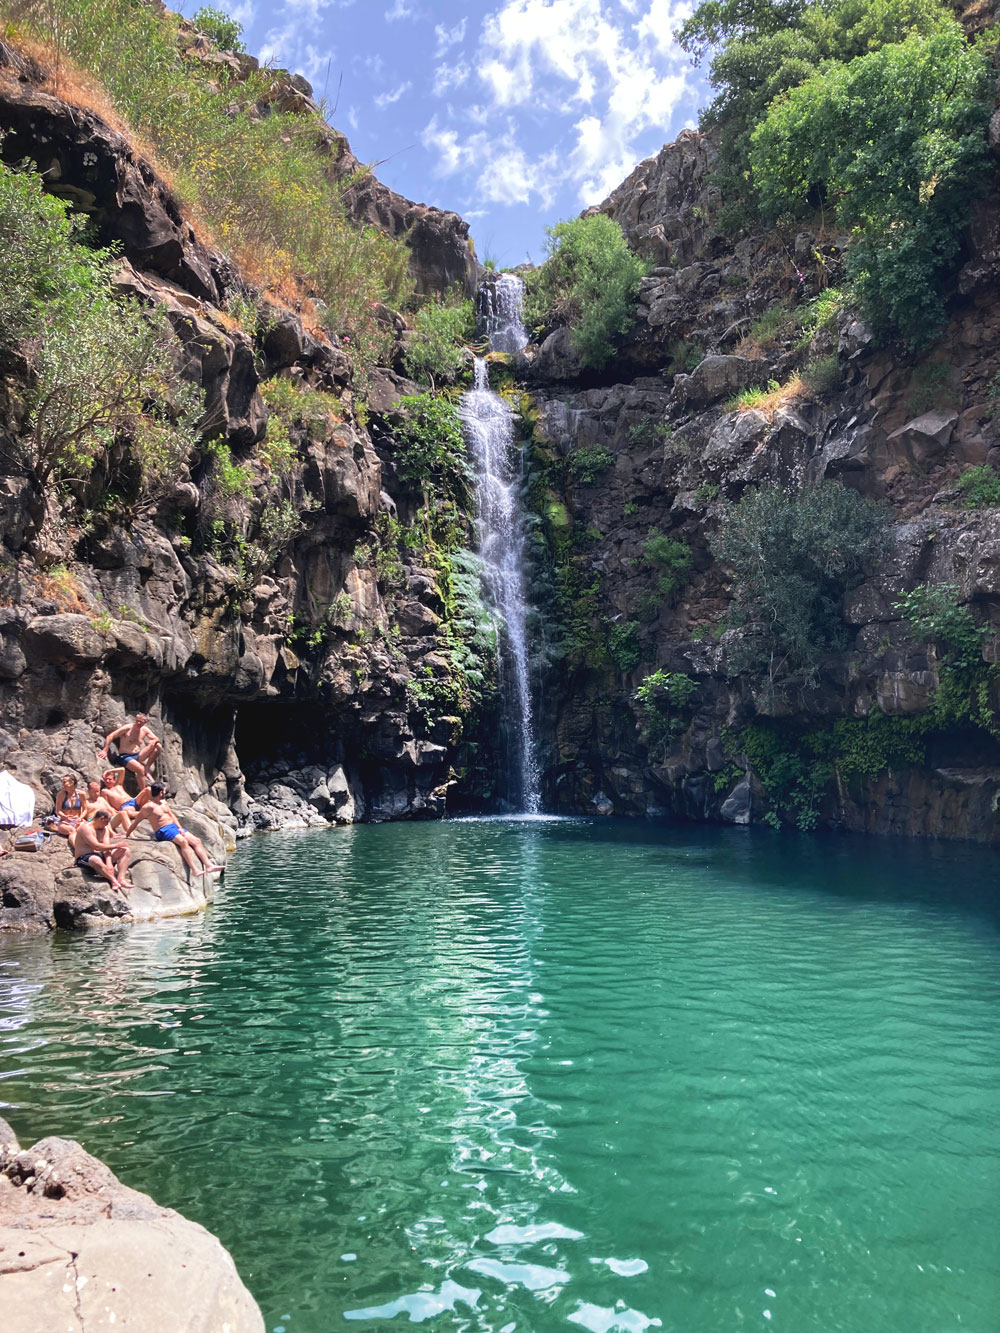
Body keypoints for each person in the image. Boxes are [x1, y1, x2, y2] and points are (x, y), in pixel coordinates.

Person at [125, 783, 224, 878]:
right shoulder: (148, 807)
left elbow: (171, 815)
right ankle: (195, 869)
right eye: (164, 790)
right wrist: (127, 835)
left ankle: (209, 865)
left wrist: (179, 827)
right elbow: (136, 822)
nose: (165, 792)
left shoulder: (164, 803)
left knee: (196, 841)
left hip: (173, 827)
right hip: (162, 831)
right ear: (160, 793)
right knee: (183, 842)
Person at [74, 808, 131, 896]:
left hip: (100, 855)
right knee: (95, 860)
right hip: (85, 858)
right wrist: (116, 845)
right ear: (101, 819)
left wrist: (109, 863)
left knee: (125, 850)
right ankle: (113, 880)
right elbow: (96, 846)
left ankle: (121, 879)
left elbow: (106, 847)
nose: (107, 824)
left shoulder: (104, 829)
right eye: (106, 822)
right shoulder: (85, 828)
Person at [98, 713, 162, 782]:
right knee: (140, 769)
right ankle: (143, 789)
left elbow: (157, 738)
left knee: (158, 746)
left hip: (138, 755)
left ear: (145, 722)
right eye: (137, 721)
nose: (138, 723)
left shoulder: (144, 730)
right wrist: (105, 750)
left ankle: (147, 768)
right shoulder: (128, 728)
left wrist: (154, 741)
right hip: (125, 756)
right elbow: (110, 736)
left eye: (141, 722)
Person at [101, 768, 150, 833]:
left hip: (134, 800)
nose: (107, 781)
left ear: (114, 780)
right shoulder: (104, 791)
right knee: (129, 813)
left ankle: (143, 809)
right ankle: (147, 814)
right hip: (125, 806)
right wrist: (114, 811)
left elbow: (122, 770)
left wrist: (109, 771)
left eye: (109, 779)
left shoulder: (118, 784)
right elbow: (106, 804)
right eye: (105, 779)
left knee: (148, 789)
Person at [52, 774, 84, 839]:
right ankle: (77, 848)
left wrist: (80, 818)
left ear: (72, 782)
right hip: (64, 821)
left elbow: (85, 809)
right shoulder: (61, 794)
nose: (62, 784)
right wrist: (65, 817)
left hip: (77, 819)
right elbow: (58, 810)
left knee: (85, 830)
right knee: (72, 831)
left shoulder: (81, 794)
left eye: (64, 782)